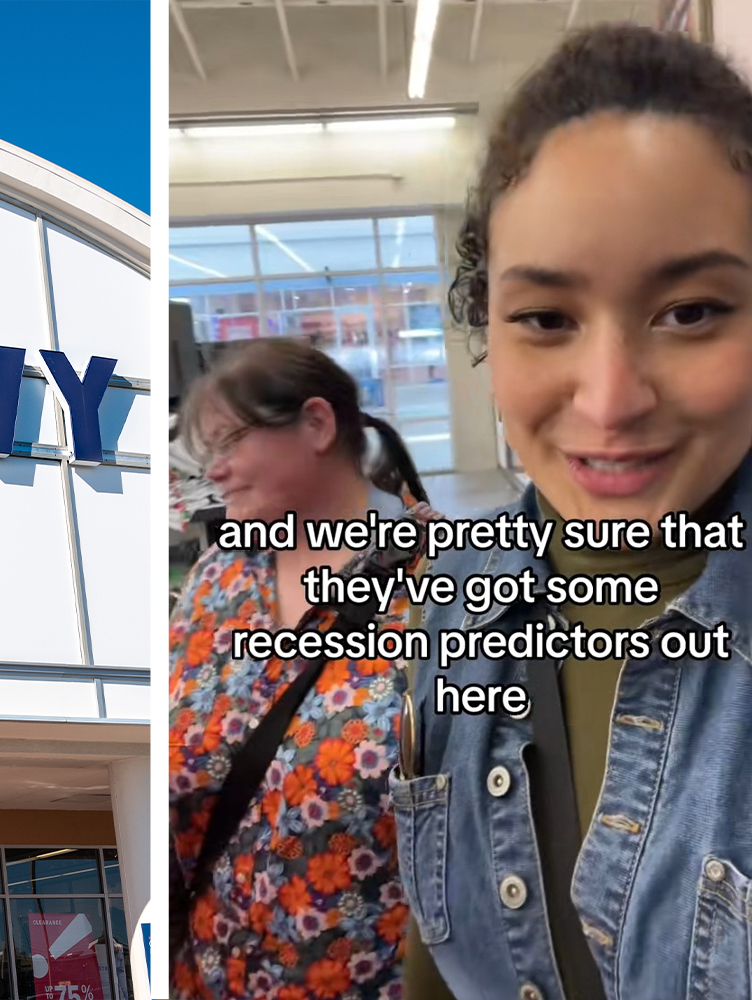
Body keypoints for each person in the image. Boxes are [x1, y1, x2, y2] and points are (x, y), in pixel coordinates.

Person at [396, 24, 752, 1000]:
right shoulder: (463, 596)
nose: (607, 401)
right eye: (544, 318)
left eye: (688, 310)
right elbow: (438, 939)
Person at [168, 337, 433, 999]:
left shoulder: (442, 583)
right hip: (214, 972)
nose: (216, 472)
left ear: (316, 424)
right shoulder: (215, 583)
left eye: (230, 444)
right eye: (207, 456)